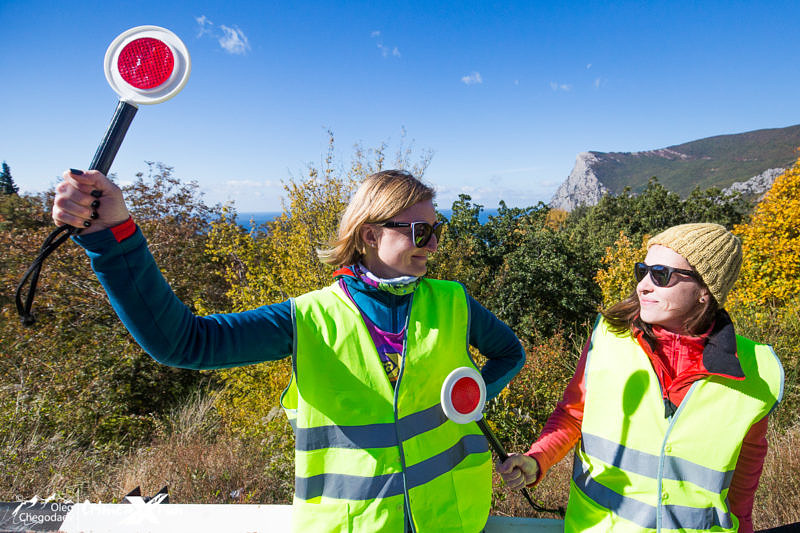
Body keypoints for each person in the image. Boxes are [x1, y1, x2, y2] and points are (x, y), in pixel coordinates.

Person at [53, 168, 525, 533]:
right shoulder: (307, 319)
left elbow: (510, 354)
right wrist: (111, 236)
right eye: (421, 233)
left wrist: (473, 396)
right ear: (369, 234)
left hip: (452, 519)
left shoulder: (453, 301)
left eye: (436, 231)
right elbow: (182, 341)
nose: (434, 244)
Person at [497, 223, 783, 533]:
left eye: (661, 275)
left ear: (705, 291)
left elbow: (742, 493)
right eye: (642, 271)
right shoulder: (608, 337)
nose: (643, 286)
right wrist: (536, 460)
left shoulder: (757, 372)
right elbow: (572, 415)